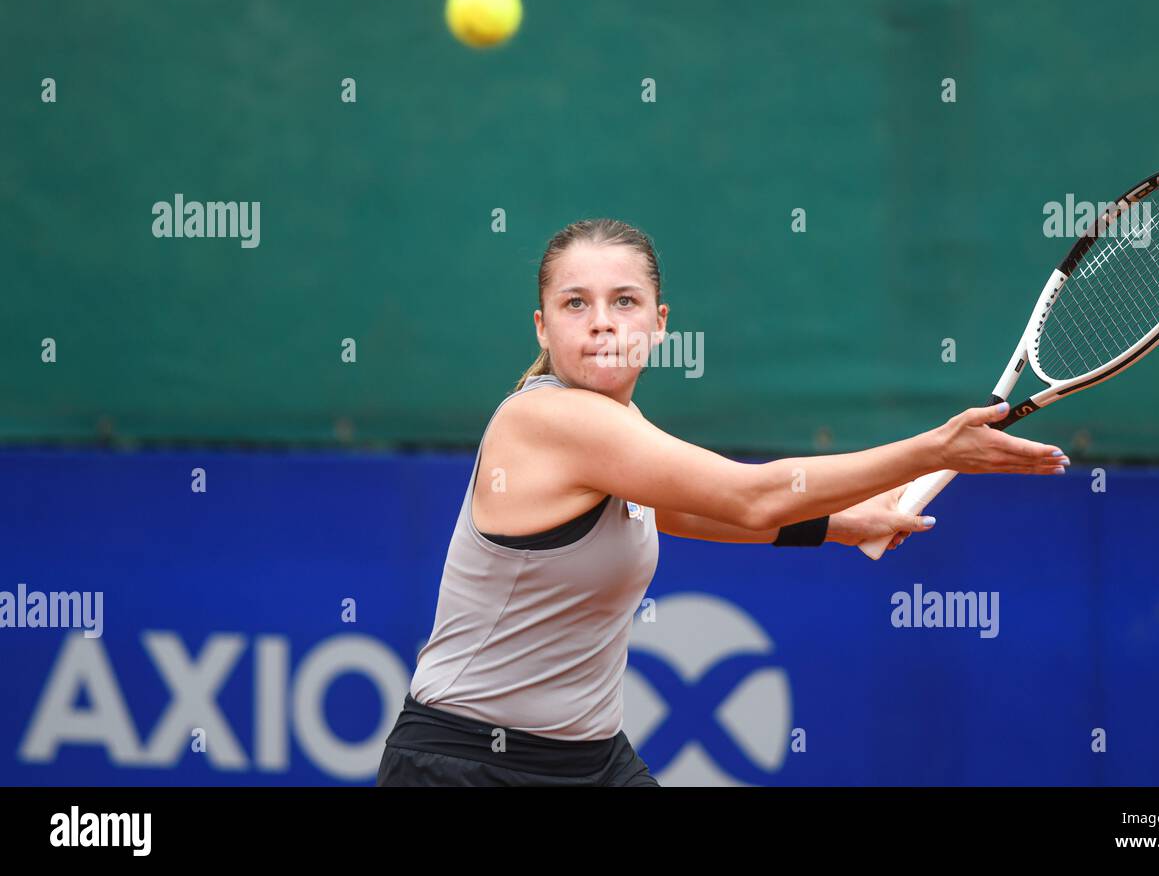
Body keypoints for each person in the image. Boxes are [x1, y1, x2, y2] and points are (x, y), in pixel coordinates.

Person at [376, 218, 1068, 786]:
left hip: (591, 761)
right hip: (466, 766)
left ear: (659, 323)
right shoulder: (547, 420)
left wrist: (835, 526)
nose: (602, 323)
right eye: (575, 303)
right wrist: (936, 449)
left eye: (625, 302)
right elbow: (750, 496)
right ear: (542, 327)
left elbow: (676, 510)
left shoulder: (619, 427)